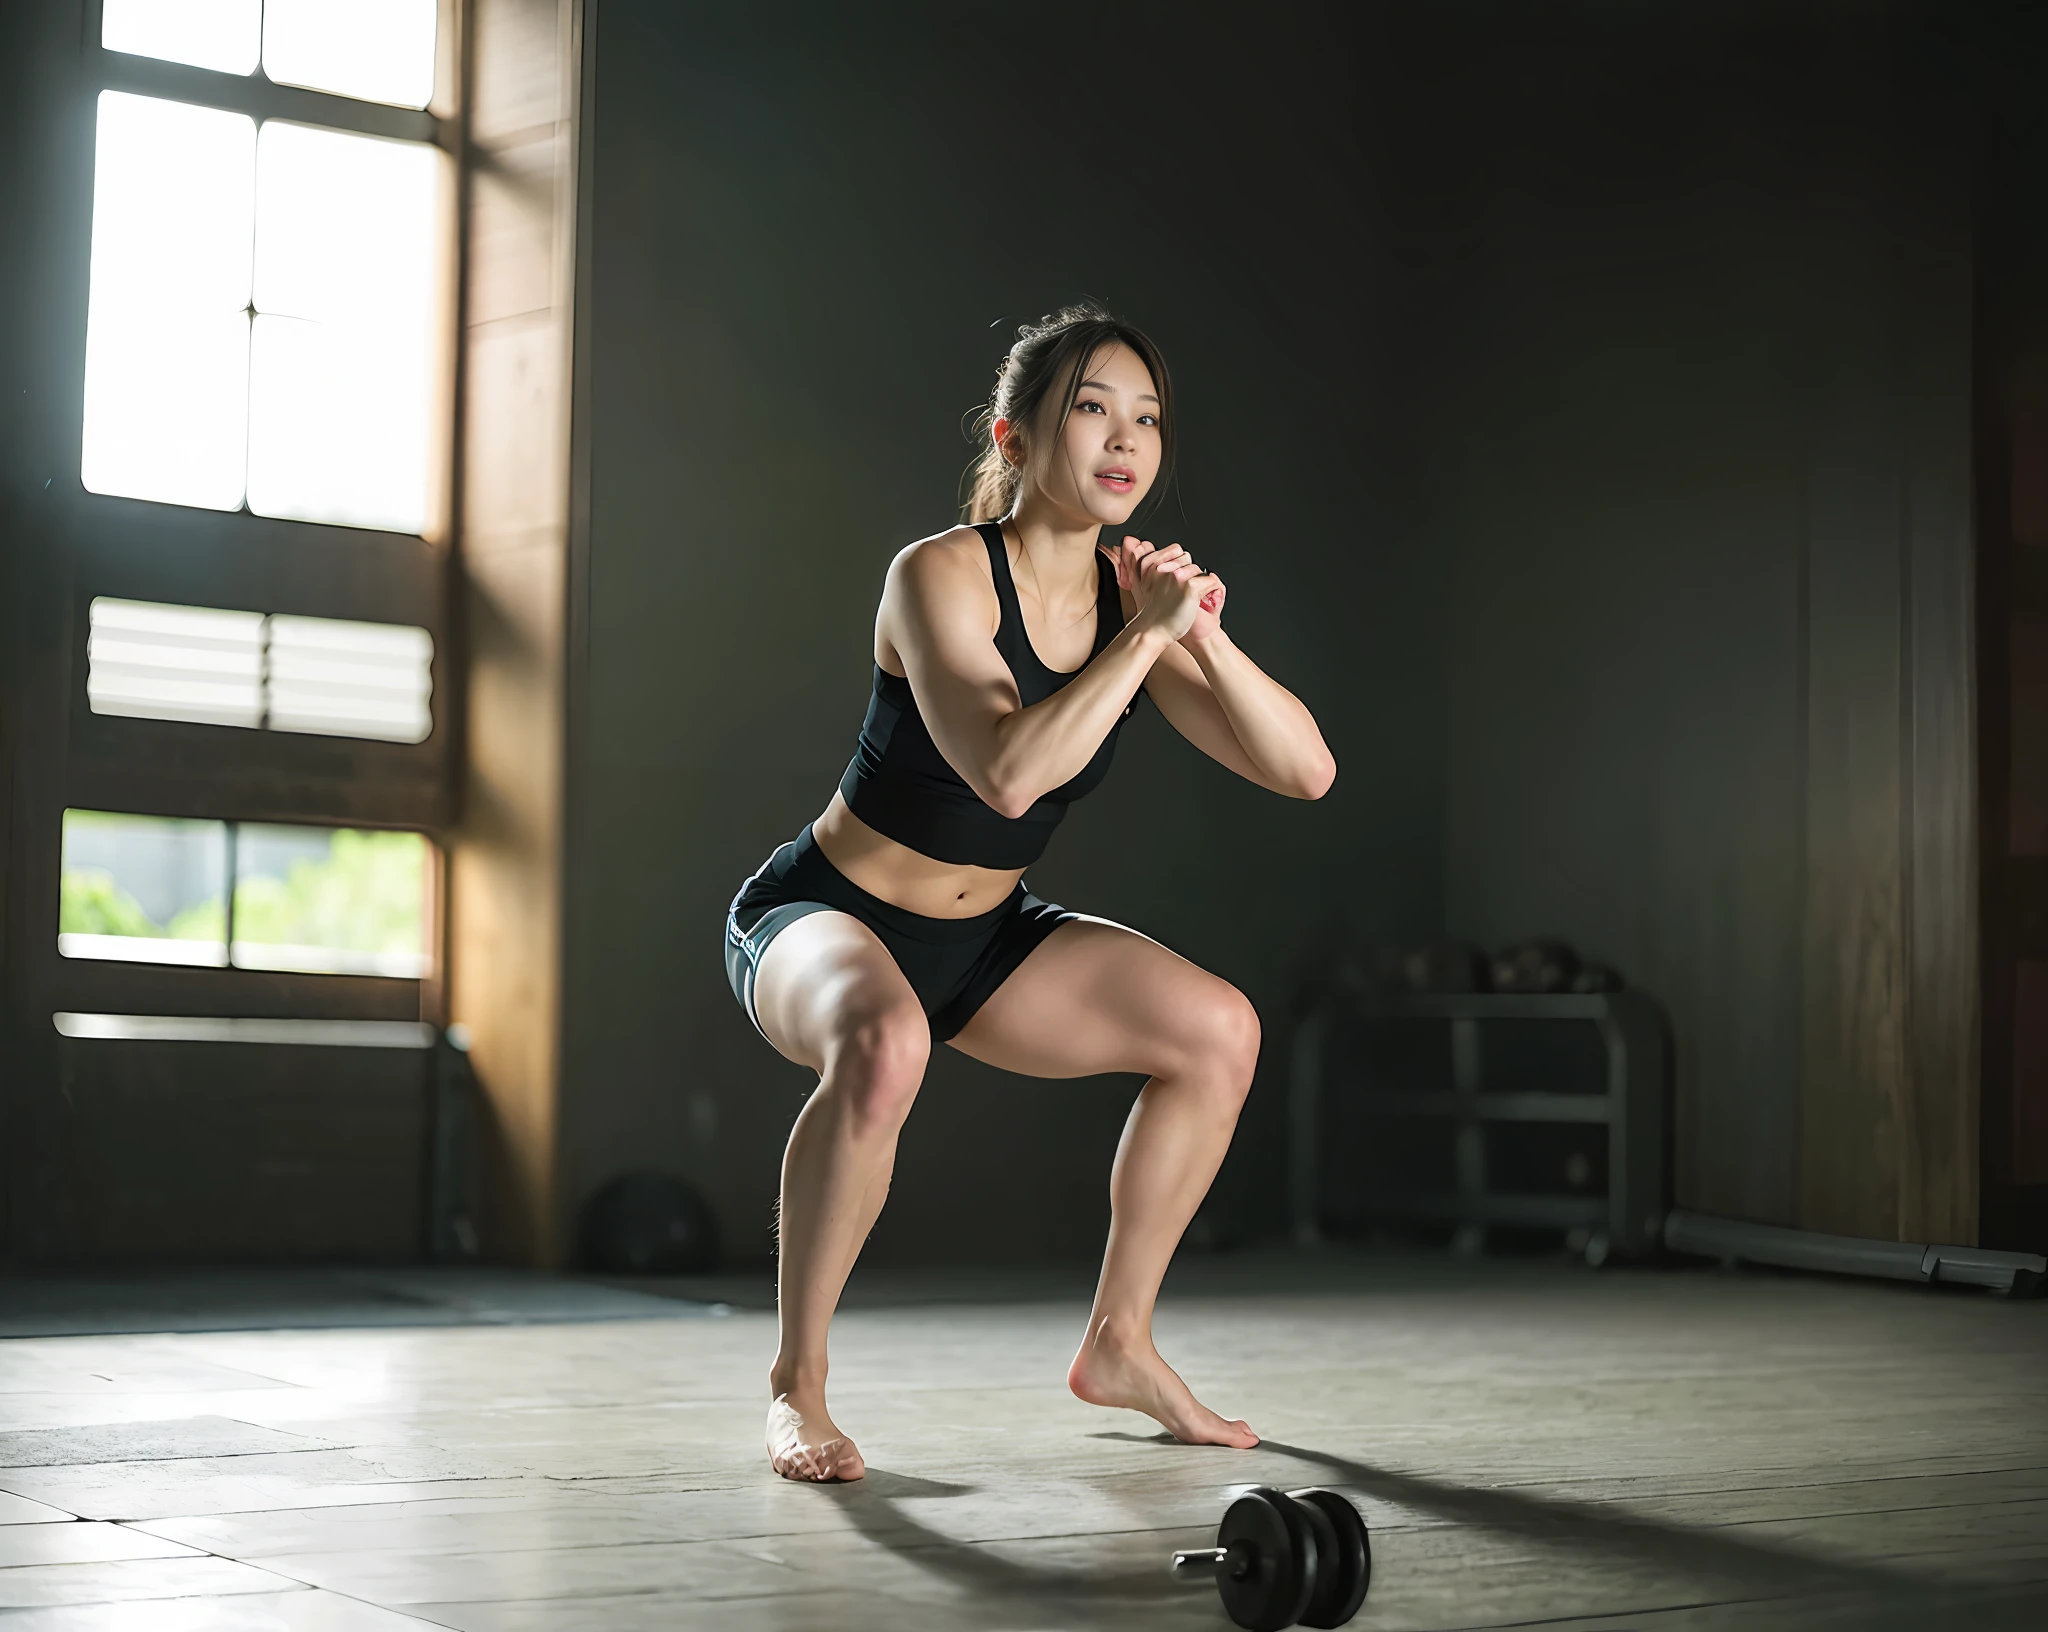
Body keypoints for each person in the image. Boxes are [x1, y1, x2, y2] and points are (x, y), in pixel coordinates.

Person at [722, 303, 1337, 1482]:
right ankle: (796, 1389)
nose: (1124, 439)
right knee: (884, 1041)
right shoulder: (937, 575)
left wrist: (1194, 636)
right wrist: (1141, 640)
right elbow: (1006, 775)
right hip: (825, 913)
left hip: (983, 939)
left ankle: (1120, 1346)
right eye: (1091, 409)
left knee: (1219, 1030)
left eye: (1145, 417)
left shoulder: (1133, 606)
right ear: (1011, 437)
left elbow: (1303, 769)